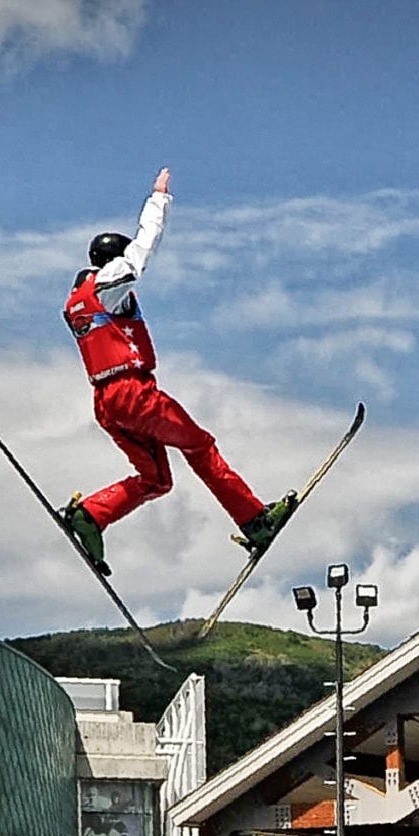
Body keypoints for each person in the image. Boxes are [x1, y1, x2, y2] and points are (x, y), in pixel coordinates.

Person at [53, 168, 295, 575]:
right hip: (133, 393)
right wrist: (159, 199)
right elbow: (141, 253)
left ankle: (91, 516)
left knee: (157, 479)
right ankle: (255, 521)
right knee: (199, 446)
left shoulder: (76, 300)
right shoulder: (109, 284)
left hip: (107, 403)